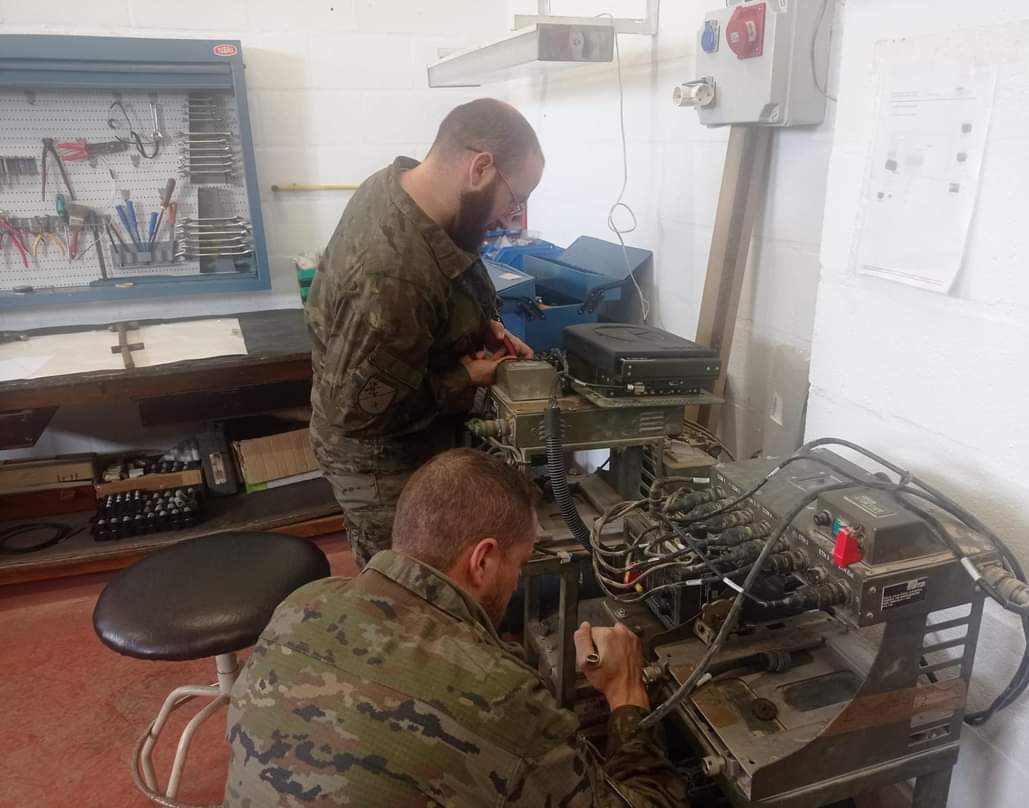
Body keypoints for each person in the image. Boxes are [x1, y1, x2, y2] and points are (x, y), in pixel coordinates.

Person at [224, 449, 688, 807]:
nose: (516, 580)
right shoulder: (499, 698)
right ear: (483, 560)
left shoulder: (304, 602)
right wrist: (626, 694)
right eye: (520, 563)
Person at [306, 98, 540, 567]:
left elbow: (444, 280)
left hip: (412, 434)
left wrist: (478, 326)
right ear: (480, 168)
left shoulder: (404, 188)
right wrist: (467, 378)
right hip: (380, 464)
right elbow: (358, 413)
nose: (511, 217)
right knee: (410, 596)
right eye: (514, 200)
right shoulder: (391, 273)